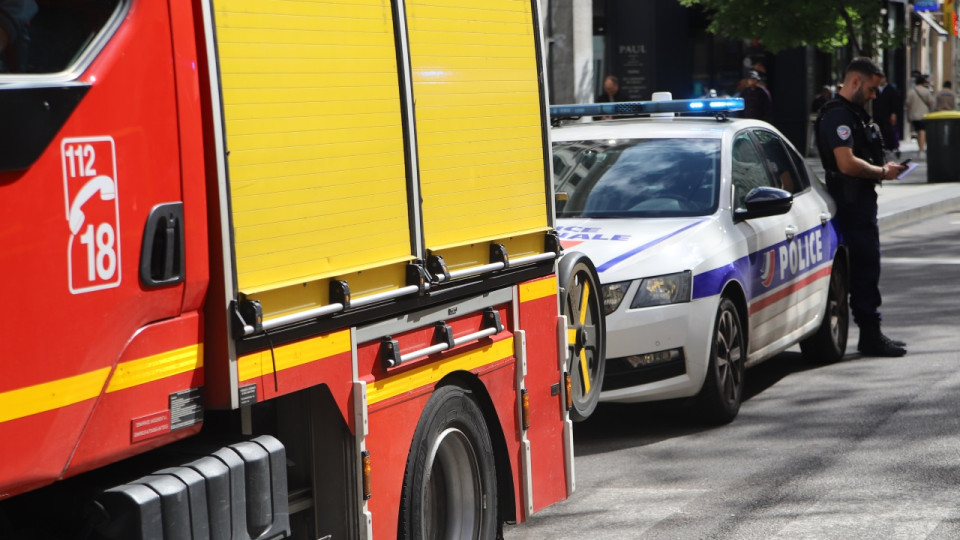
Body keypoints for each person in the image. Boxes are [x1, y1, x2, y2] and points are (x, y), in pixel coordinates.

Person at [815, 57, 908, 357]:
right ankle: (870, 335)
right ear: (855, 82)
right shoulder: (838, 116)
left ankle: (871, 333)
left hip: (859, 201)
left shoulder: (852, 113)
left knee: (868, 267)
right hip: (851, 204)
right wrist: (882, 172)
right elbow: (846, 163)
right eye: (871, 88)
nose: (874, 95)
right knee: (864, 268)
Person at [906, 74, 934, 159]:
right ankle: (921, 150)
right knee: (922, 131)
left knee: (918, 132)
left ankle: (920, 149)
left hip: (914, 115)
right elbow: (931, 103)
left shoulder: (911, 92)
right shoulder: (926, 91)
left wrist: (908, 115)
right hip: (924, 114)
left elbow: (908, 105)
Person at [874, 79, 901, 159]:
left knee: (889, 131)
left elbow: (895, 102)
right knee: (880, 131)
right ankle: (882, 148)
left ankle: (890, 148)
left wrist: (893, 113)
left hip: (887, 115)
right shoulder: (876, 89)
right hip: (878, 115)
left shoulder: (890, 90)